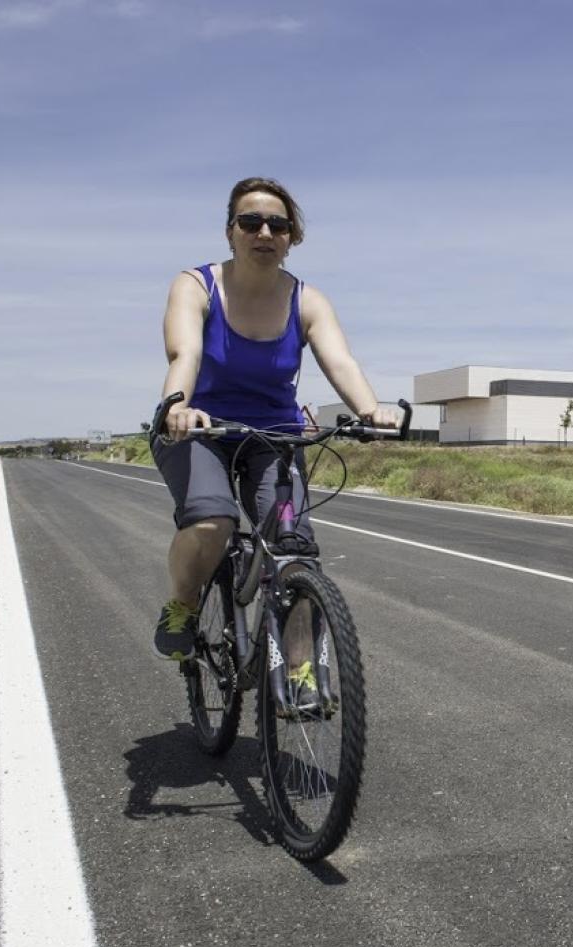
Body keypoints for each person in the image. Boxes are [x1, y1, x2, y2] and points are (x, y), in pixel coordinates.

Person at [150, 176, 397, 682]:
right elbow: (185, 352)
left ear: (292, 237)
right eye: (251, 222)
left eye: (278, 225)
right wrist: (178, 404)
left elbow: (341, 363)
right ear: (230, 232)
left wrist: (373, 410)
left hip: (274, 438)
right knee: (211, 521)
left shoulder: (307, 301)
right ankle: (182, 602)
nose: (264, 232)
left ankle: (302, 672)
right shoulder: (196, 286)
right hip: (200, 430)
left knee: (295, 553)